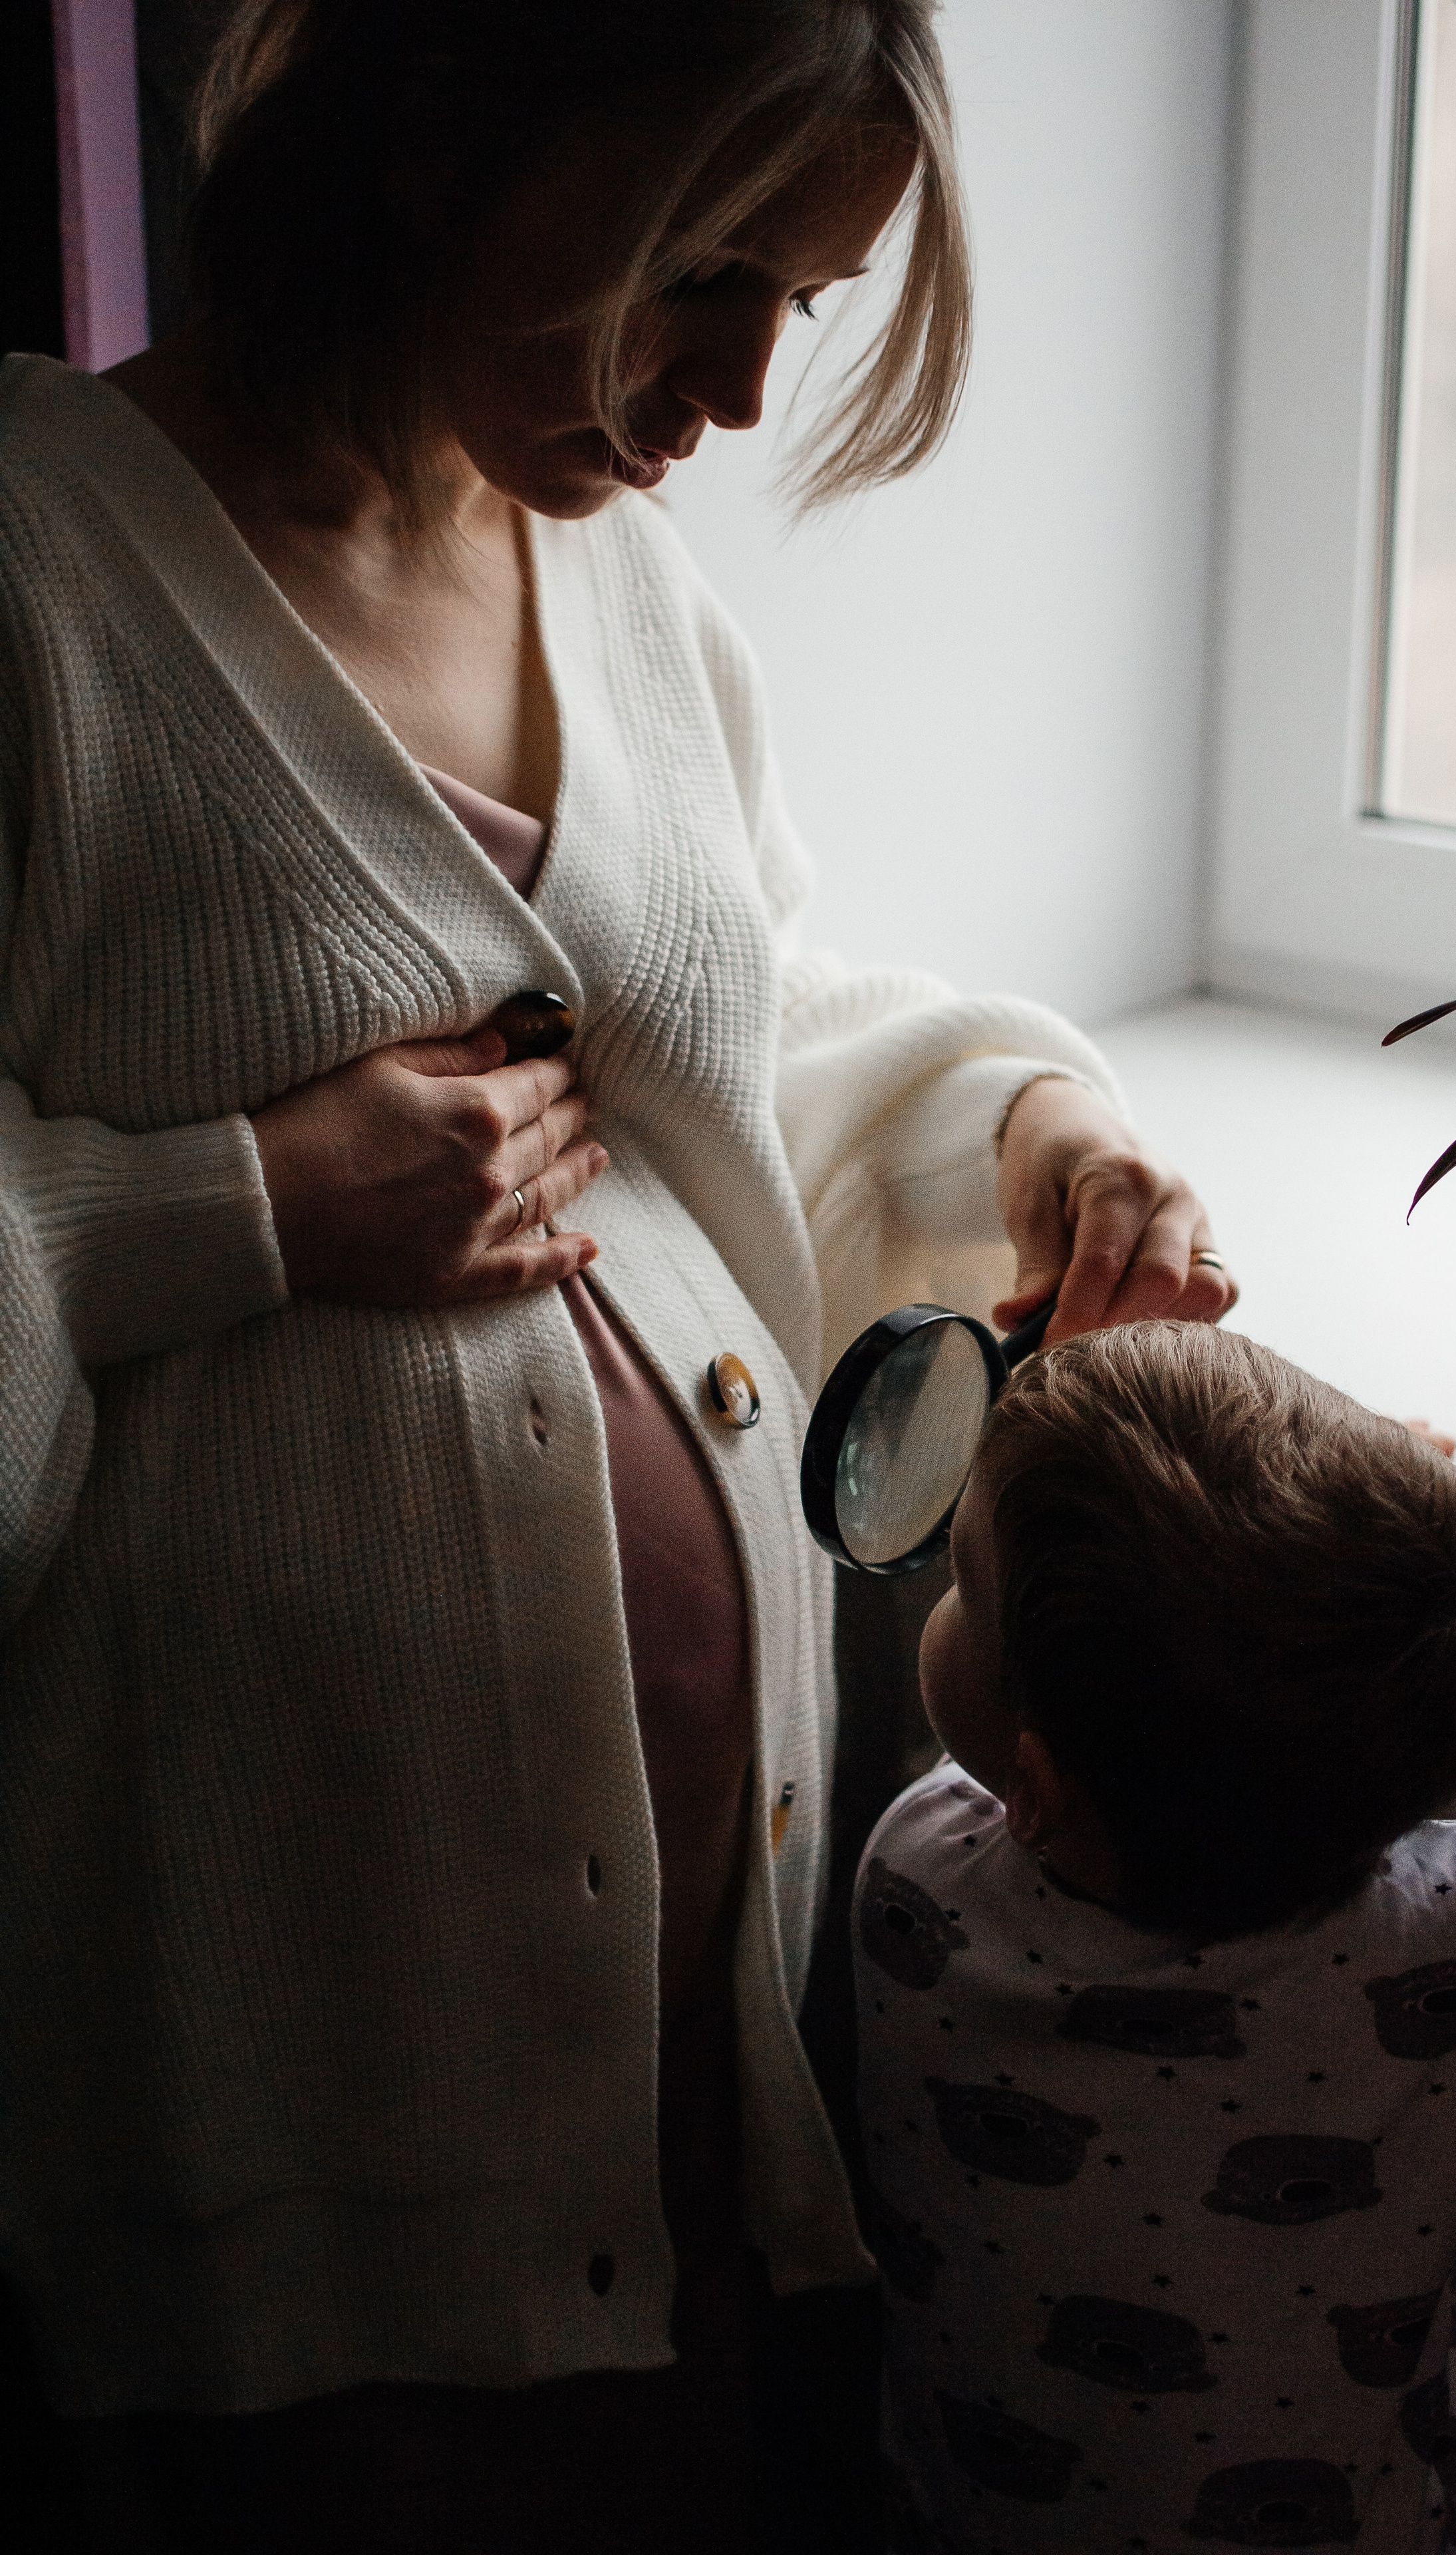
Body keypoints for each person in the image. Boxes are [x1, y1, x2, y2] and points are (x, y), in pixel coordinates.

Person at [0, 3, 1237, 2546]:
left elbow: (724, 1040)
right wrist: (243, 1205)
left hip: (689, 1977)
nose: (743, 393)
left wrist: (1033, 1125)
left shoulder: (632, 587)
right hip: (293, 2011)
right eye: (699, 270)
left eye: (801, 299)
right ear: (445, 129)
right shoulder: (40, 577)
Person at [855, 1321, 1456, 2554]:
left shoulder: (915, 1876)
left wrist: (1314, 1567)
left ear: (1034, 1786)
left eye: (963, 1583)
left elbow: (1132, 1725)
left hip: (978, 2508)